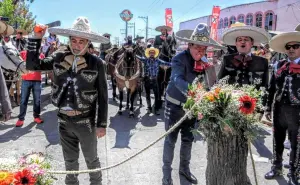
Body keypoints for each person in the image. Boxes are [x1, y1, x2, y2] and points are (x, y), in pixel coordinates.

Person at [25, 17, 109, 185]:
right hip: (63, 121)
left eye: (81, 41)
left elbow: (103, 96)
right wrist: (35, 38)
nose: (77, 45)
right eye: (74, 40)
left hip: (86, 121)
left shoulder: (97, 63)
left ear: (88, 42)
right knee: (70, 163)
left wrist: (102, 124)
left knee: (92, 161)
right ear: (69, 40)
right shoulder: (58, 57)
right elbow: (33, 65)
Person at [162, 23, 222, 185]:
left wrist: (213, 93)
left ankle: (185, 169)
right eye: (197, 48)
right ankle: (166, 174)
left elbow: (211, 83)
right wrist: (195, 92)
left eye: (204, 49)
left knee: (188, 140)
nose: (200, 52)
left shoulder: (205, 62)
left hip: (193, 108)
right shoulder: (178, 59)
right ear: (189, 45)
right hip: (174, 106)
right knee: (170, 140)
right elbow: (177, 79)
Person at [264, 30, 300, 185]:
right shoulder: (279, 65)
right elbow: (271, 87)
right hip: (279, 109)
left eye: (295, 46)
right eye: (288, 46)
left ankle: (294, 172)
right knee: (277, 140)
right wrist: (267, 107)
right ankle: (276, 166)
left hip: (297, 111)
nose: (291, 49)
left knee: (296, 143)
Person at [218, 22, 270, 90]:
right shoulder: (227, 59)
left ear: (252, 43)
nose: (243, 42)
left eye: (246, 39)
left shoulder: (263, 62)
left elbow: (265, 86)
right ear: (236, 44)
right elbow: (219, 82)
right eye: (240, 40)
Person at [136, 47, 171, 115]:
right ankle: (149, 108)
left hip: (155, 80)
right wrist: (133, 53)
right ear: (149, 53)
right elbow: (139, 58)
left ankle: (155, 109)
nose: (152, 53)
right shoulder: (145, 60)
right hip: (147, 79)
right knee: (147, 94)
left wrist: (175, 63)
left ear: (155, 53)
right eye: (150, 52)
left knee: (157, 95)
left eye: (153, 52)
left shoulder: (158, 61)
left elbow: (166, 63)